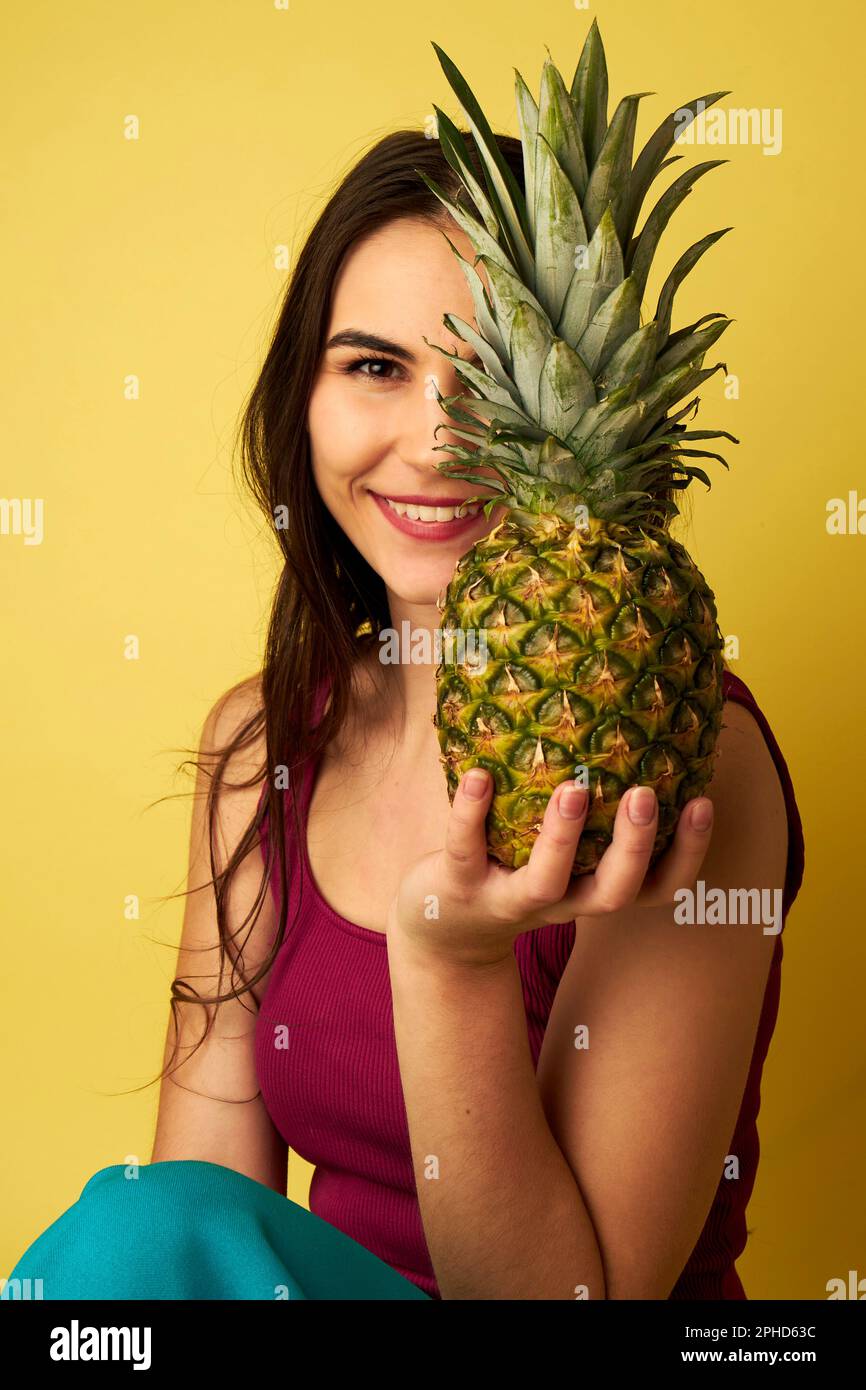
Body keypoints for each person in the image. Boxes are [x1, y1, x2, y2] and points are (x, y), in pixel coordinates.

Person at [6, 128, 804, 1302]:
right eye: (372, 366)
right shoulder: (262, 745)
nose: (433, 445)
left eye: (489, 383)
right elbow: (196, 1238)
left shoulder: (682, 759)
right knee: (140, 1229)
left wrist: (449, 960)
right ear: (305, 395)